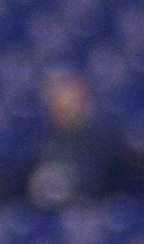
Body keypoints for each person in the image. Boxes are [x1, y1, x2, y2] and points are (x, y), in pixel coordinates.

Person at [19, 70, 129, 207]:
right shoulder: (38, 140)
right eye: (54, 98)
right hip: (46, 215)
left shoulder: (103, 139)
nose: (62, 104)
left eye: (68, 97)